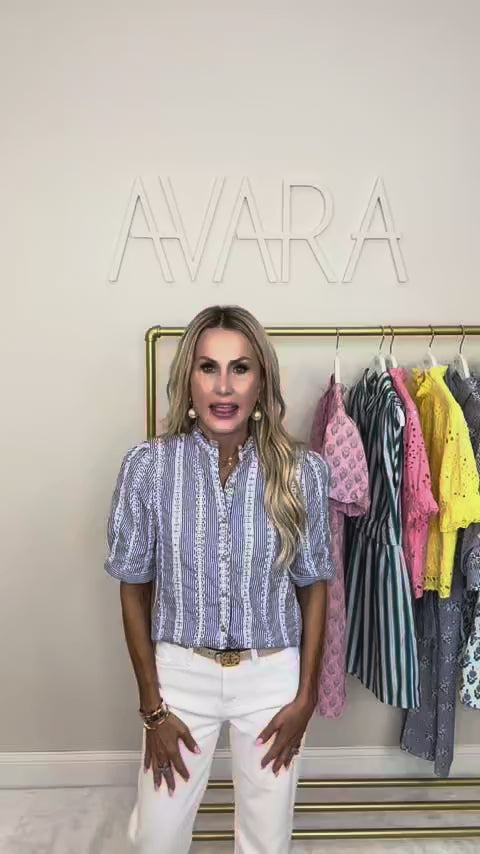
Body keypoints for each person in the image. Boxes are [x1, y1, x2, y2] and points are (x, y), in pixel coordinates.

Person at [105, 305, 334, 854]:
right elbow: (133, 588)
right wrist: (152, 706)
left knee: (266, 839)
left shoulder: (302, 471)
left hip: (271, 678)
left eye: (241, 368)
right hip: (180, 680)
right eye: (209, 367)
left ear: (262, 381)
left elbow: (314, 584)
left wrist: (305, 697)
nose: (224, 386)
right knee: (157, 839)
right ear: (189, 377)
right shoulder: (149, 467)